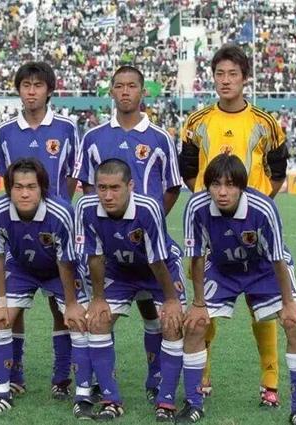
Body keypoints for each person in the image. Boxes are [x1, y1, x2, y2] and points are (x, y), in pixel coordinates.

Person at [179, 44, 289, 406]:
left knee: (264, 306)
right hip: (211, 229)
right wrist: (210, 202)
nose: (225, 81)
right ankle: (203, 375)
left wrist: (256, 206)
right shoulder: (197, 122)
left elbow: (278, 172)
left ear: (245, 79)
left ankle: (270, 382)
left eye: (233, 74)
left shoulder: (265, 123)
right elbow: (189, 170)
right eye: (220, 74)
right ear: (213, 78)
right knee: (204, 304)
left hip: (253, 228)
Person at [73, 65, 182, 404]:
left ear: (142, 91)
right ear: (111, 91)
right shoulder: (93, 137)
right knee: (101, 315)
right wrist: (113, 228)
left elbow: (172, 187)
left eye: (131, 86)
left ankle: (156, 376)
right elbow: (88, 188)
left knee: (154, 312)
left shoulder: (160, 137)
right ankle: (99, 384)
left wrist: (146, 226)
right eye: (119, 86)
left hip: (150, 247)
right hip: (111, 249)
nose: (125, 92)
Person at [177, 154, 296, 424]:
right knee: (195, 324)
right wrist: (198, 303)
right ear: (207, 185)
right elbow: (197, 256)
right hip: (222, 267)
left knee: (294, 323)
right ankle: (193, 403)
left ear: (242, 186)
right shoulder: (196, 206)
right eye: (215, 184)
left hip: (264, 267)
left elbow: (277, 258)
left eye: (230, 185)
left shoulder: (263, 208)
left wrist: (288, 303)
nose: (222, 192)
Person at [75, 159, 186, 421]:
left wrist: (171, 300)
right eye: (102, 188)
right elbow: (94, 256)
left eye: (115, 188)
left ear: (131, 186)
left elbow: (157, 261)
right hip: (119, 270)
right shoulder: (85, 207)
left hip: (159, 268)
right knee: (98, 322)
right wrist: (98, 298)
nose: (107, 195)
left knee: (171, 324)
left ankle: (165, 399)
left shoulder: (148, 208)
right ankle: (111, 399)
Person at [0, 61, 79, 398]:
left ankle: (61, 378)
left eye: (38, 85)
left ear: (49, 90)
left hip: (57, 230)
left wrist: (58, 206)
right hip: (19, 231)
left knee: (62, 307)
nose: (31, 92)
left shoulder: (67, 128)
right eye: (26, 85)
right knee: (12, 309)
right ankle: (14, 374)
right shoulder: (5, 131)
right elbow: (5, 179)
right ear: (19, 90)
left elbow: (72, 174)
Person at [0, 158, 90, 417]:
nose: (24, 193)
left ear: (43, 188)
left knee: (78, 322)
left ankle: (80, 393)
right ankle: (2, 393)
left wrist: (72, 304)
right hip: (21, 268)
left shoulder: (61, 212)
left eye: (31, 186)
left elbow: (66, 261)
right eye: (18, 187)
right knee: (0, 320)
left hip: (58, 269)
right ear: (9, 189)